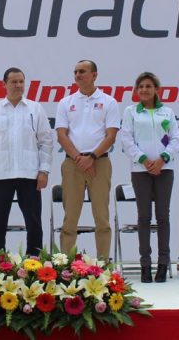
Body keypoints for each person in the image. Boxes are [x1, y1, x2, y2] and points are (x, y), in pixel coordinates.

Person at [0, 67, 53, 257]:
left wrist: (44, 170)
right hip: (1, 175)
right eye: (14, 82)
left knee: (34, 222)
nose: (18, 85)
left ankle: (33, 264)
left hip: (30, 174)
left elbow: (46, 141)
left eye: (21, 81)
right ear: (4, 84)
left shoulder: (35, 109)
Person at [119, 72, 179, 282]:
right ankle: (145, 264)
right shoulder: (131, 112)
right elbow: (127, 140)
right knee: (144, 217)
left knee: (163, 216)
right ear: (136, 91)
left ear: (156, 89)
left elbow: (176, 139)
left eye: (148, 86)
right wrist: (144, 160)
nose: (144, 90)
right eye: (140, 87)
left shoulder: (167, 112)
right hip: (141, 170)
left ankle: (163, 264)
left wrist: (163, 158)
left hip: (165, 169)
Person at [55, 60, 120, 260]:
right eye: (75, 72)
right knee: (70, 219)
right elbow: (61, 135)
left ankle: (103, 266)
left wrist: (91, 157)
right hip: (72, 164)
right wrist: (79, 158)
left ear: (94, 75)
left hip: (99, 163)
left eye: (82, 71)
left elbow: (111, 136)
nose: (78, 75)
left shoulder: (109, 102)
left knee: (101, 218)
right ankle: (64, 265)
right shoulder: (66, 102)